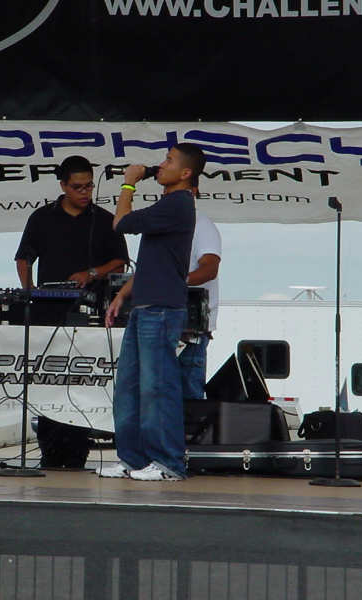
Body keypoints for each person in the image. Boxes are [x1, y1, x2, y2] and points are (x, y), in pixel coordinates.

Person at [101, 143, 204, 481]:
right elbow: (153, 262)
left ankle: (168, 463)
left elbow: (120, 223)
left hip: (161, 308)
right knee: (129, 387)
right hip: (144, 305)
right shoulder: (167, 205)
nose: (161, 165)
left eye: (169, 160)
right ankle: (132, 458)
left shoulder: (178, 203)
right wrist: (122, 294)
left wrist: (129, 182)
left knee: (157, 386)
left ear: (185, 173)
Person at [15, 155, 129, 288]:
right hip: (50, 298)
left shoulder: (106, 220)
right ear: (63, 185)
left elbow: (120, 264)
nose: (84, 192)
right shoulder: (41, 217)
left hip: (96, 299)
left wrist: (92, 273)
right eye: (77, 187)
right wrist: (30, 291)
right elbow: (23, 259)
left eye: (89, 186)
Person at [178, 178, 222, 400]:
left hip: (190, 331)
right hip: (162, 324)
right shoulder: (165, 224)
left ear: (192, 191)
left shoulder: (201, 225)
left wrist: (170, 282)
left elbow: (209, 269)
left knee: (189, 401)